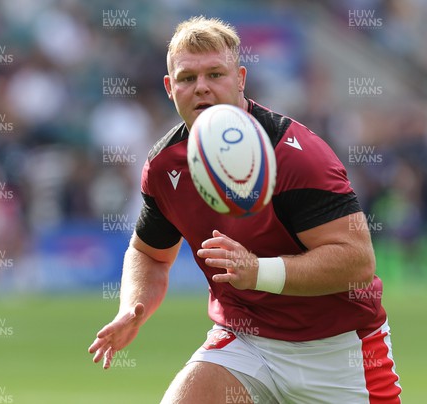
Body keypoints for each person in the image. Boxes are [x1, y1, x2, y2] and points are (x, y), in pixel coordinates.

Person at [88, 16, 401, 403]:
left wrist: (256, 271)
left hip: (338, 351)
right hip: (245, 343)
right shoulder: (165, 165)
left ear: (240, 79)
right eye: (187, 78)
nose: (201, 87)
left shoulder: (295, 155)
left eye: (214, 74)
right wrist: (131, 308)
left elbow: (356, 263)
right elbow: (148, 254)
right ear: (170, 88)